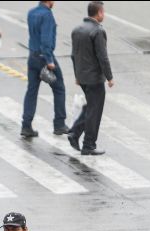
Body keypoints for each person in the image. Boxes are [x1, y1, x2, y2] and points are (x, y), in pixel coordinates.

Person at [68, 1, 113, 156]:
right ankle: (88, 145)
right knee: (95, 110)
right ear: (99, 13)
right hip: (95, 79)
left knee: (91, 107)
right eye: (103, 12)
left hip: (83, 78)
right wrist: (109, 77)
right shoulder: (98, 31)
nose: (104, 14)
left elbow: (73, 55)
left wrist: (77, 76)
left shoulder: (77, 29)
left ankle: (75, 132)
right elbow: (102, 57)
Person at [20, 1, 68, 138]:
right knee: (59, 88)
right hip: (44, 58)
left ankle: (26, 125)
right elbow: (46, 39)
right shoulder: (47, 16)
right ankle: (59, 124)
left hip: (32, 56)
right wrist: (49, 60)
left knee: (31, 91)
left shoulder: (31, 12)